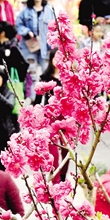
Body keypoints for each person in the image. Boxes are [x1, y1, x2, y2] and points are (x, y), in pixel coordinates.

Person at [33, 49, 68, 183]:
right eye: (55, 57)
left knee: (66, 151)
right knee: (52, 152)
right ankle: (55, 180)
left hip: (66, 118)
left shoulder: (68, 77)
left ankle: (63, 178)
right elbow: (37, 102)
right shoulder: (45, 78)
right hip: (50, 119)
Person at [15, 0, 55, 101]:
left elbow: (54, 27)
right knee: (31, 73)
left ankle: (49, 98)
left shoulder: (49, 10)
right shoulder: (25, 11)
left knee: (47, 72)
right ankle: (33, 99)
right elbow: (18, 24)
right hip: (30, 47)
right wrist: (27, 31)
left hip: (45, 47)